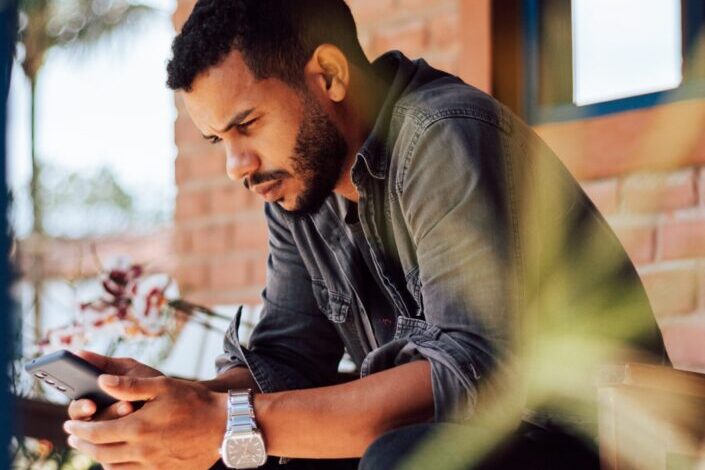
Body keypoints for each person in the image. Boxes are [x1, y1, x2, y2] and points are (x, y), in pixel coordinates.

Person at [62, 0, 667, 468]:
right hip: (458, 444)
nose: (236, 166)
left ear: (327, 74)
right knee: (231, 457)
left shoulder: (441, 133)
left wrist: (226, 419)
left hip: (593, 436)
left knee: (400, 459)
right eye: (219, 140)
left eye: (247, 124)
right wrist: (178, 401)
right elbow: (287, 360)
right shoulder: (300, 185)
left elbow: (469, 375)